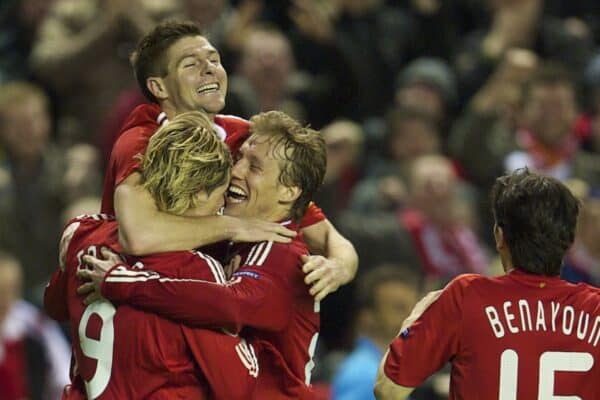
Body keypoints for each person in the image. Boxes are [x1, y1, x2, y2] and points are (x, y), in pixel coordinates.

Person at [102, 20, 357, 301]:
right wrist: (235, 226)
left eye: (214, 59)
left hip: (213, 304)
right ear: (159, 87)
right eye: (191, 64)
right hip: (141, 305)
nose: (209, 68)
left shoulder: (245, 140)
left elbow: (331, 239)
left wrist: (338, 267)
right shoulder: (141, 140)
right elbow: (138, 236)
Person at [80, 110, 327, 399]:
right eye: (240, 158)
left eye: (255, 167)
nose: (235, 171)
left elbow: (231, 305)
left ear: (289, 192)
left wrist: (123, 281)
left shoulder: (280, 252)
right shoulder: (236, 240)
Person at [45, 112, 259, 399]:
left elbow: (54, 306)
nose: (223, 203)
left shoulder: (84, 235)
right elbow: (237, 384)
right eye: (220, 193)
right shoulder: (196, 270)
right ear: (197, 193)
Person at [374, 168, 600, 399]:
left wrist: (415, 317)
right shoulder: (596, 309)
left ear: (499, 236)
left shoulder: (467, 297)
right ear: (570, 241)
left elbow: (389, 389)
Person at [331, 265, 418, 400]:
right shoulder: (363, 374)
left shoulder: (392, 372)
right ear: (368, 317)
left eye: (415, 308)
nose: (412, 317)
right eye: (399, 308)